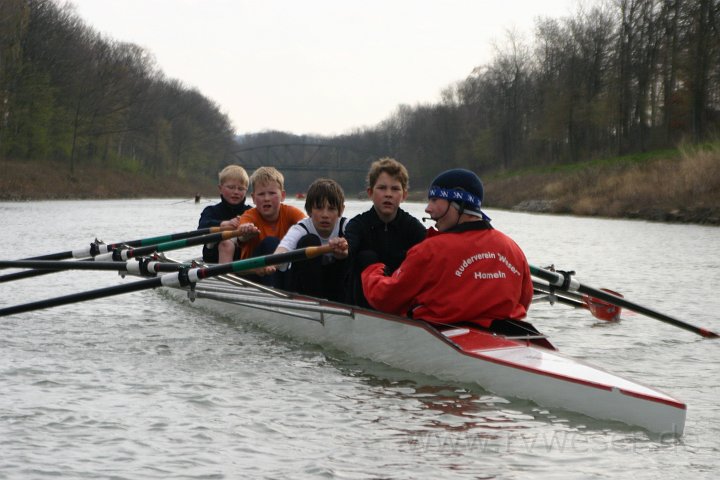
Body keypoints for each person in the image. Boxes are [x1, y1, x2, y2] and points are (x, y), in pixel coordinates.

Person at [361, 168, 534, 331]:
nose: (428, 208)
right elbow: (524, 300)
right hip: (513, 337)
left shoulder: (429, 250)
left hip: (441, 338)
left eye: (435, 200)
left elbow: (385, 299)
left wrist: (371, 269)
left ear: (458, 203)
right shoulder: (513, 249)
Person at [344, 157, 426, 307]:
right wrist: (343, 249)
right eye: (382, 188)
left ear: (404, 195)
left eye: (395, 189)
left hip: (399, 304)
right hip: (362, 304)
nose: (388, 194)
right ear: (370, 193)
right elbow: (349, 246)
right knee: (366, 257)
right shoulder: (357, 225)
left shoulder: (413, 228)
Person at [268, 178, 349, 301]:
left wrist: (346, 247)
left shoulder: (346, 226)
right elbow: (284, 247)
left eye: (331, 209)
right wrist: (272, 262)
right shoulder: (301, 228)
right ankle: (311, 301)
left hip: (336, 288)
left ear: (341, 210)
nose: (325, 215)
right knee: (309, 240)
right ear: (309, 210)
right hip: (304, 288)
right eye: (319, 208)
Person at [237, 166, 306, 285]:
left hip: (283, 270)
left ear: (282, 195)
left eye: (272, 193)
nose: (266, 198)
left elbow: (309, 226)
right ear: (253, 198)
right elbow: (241, 237)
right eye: (261, 194)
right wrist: (245, 233)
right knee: (271, 242)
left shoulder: (292, 213)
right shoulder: (249, 217)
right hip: (253, 273)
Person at [197, 165, 258, 263]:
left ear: (246, 190)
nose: (236, 192)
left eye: (241, 189)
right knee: (226, 243)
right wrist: (225, 224)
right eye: (231, 187)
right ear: (220, 188)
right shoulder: (210, 211)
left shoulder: (250, 212)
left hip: (242, 255)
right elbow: (201, 228)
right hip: (213, 258)